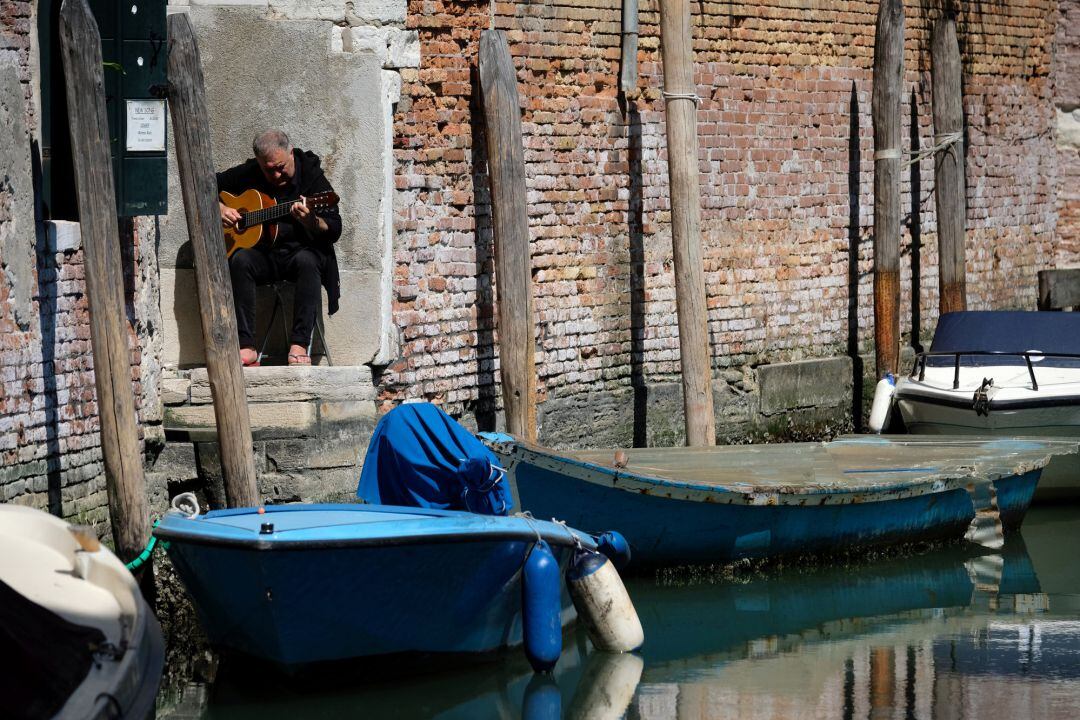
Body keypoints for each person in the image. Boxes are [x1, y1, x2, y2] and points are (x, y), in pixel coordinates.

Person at [217, 129, 342, 366]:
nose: (276, 174)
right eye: (268, 169)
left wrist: (312, 221)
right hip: (266, 257)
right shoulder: (251, 172)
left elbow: (334, 228)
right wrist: (221, 209)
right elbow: (206, 185)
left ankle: (299, 343)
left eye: (281, 167)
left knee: (308, 261)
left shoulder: (312, 177)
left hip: (299, 256)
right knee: (240, 260)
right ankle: (246, 346)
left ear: (291, 154)